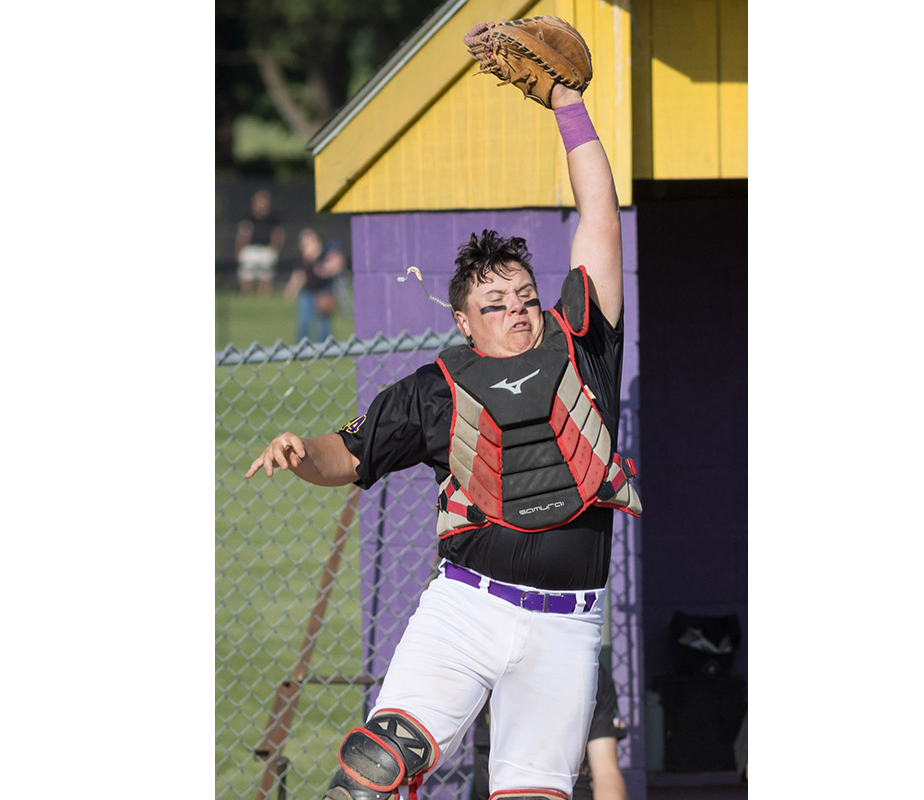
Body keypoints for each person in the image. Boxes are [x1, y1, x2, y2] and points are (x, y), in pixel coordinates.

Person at [245, 23, 641, 800]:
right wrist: (301, 454)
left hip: (565, 626)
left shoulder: (583, 344)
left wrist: (568, 107)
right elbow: (348, 456)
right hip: (466, 609)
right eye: (496, 303)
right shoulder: (434, 389)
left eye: (526, 297)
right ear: (464, 320)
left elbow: (600, 214)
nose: (519, 311)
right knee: (370, 779)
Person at [470, 664, 627, 800]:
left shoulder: (591, 675)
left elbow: (606, 773)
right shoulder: (495, 668)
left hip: (567, 791)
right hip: (501, 790)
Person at [284, 227, 347, 343]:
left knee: (324, 322)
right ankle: (302, 346)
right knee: (304, 320)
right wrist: (291, 289)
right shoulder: (303, 257)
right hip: (308, 291)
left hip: (324, 291)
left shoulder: (325, 252)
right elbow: (299, 275)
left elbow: (337, 265)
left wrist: (324, 269)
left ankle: (326, 345)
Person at [236, 188, 286, 295]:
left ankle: (263, 299)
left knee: (265, 277)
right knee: (246, 276)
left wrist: (274, 249)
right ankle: (246, 298)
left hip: (266, 249)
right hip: (250, 249)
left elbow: (279, 235)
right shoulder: (248, 217)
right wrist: (240, 250)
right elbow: (242, 234)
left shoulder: (274, 218)